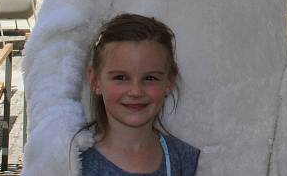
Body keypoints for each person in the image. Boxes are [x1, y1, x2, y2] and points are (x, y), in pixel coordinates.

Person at [78, 14, 200, 176]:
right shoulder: (73, 162)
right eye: (120, 78)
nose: (136, 91)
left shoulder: (186, 160)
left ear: (169, 81)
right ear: (95, 81)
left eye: (150, 78)